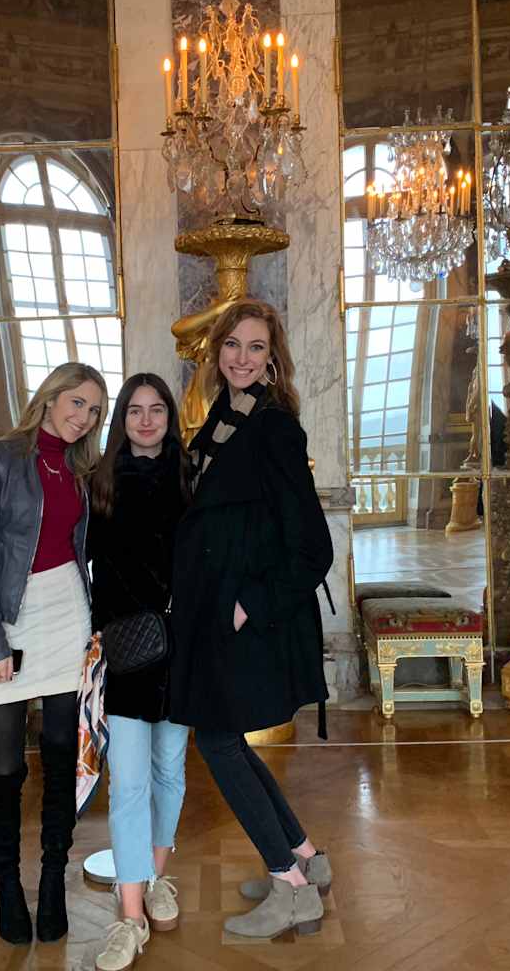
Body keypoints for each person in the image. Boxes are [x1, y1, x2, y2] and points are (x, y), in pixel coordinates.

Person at [170, 299, 334, 940]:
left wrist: (248, 606)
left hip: (246, 619)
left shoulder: (274, 429)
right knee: (226, 740)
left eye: (256, 347)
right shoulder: (223, 419)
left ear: (274, 358)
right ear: (217, 353)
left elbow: (313, 547)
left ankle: (291, 890)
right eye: (232, 345)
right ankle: (303, 857)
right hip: (215, 612)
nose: (241, 357)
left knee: (215, 741)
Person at [0, 362, 108, 946]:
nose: (84, 418)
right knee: (4, 767)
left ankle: (52, 878)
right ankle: (5, 883)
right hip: (10, 619)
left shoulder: (80, 469)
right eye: (77, 403)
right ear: (49, 398)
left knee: (57, 756)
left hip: (68, 613)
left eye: (94, 410)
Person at [87, 374, 191, 971]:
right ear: (121, 419)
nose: (146, 420)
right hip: (126, 651)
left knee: (169, 772)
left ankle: (155, 878)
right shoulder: (99, 484)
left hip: (180, 649)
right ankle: (130, 919)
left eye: (156, 410)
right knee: (127, 784)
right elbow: (84, 565)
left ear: (168, 418)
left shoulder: (189, 478)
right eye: (135, 410)